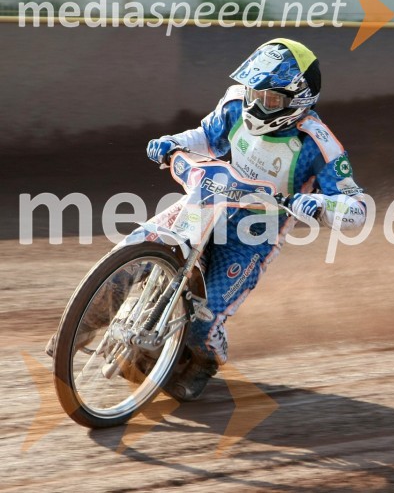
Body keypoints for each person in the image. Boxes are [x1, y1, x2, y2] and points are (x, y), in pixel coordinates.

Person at [141, 38, 367, 401]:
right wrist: (172, 141)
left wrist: (322, 206)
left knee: (205, 318)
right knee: (142, 246)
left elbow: (358, 207)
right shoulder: (234, 102)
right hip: (208, 200)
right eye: (254, 90)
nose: (257, 102)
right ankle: (85, 322)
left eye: (271, 99)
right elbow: (206, 139)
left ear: (298, 101)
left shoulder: (318, 144)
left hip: (253, 235)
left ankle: (203, 361)